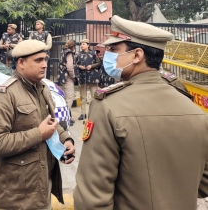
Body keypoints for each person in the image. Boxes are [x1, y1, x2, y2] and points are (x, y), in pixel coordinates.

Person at [74, 15, 208, 210]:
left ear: (137, 55)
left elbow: (92, 199)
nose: (106, 55)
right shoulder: (194, 110)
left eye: (113, 49)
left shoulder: (108, 107)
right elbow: (204, 184)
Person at [0, 40, 75, 210]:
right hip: (15, 196)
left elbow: (49, 122)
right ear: (21, 63)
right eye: (38, 60)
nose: (45, 65)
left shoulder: (41, 88)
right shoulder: (4, 96)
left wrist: (65, 139)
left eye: (45, 60)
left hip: (39, 185)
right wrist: (38, 134)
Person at [75, 39, 101, 121]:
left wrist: (91, 66)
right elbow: (75, 64)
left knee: (94, 96)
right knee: (83, 96)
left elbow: (99, 63)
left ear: (88, 45)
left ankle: (93, 113)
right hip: (82, 77)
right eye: (81, 44)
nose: (82, 45)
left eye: (83, 44)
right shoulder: (78, 54)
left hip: (92, 78)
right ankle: (83, 113)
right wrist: (79, 66)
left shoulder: (94, 53)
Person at [58, 39, 77, 126]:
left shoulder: (63, 51)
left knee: (66, 99)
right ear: (73, 46)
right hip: (68, 78)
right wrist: (73, 76)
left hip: (62, 77)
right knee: (69, 98)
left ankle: (67, 117)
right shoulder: (69, 53)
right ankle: (65, 119)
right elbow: (70, 67)